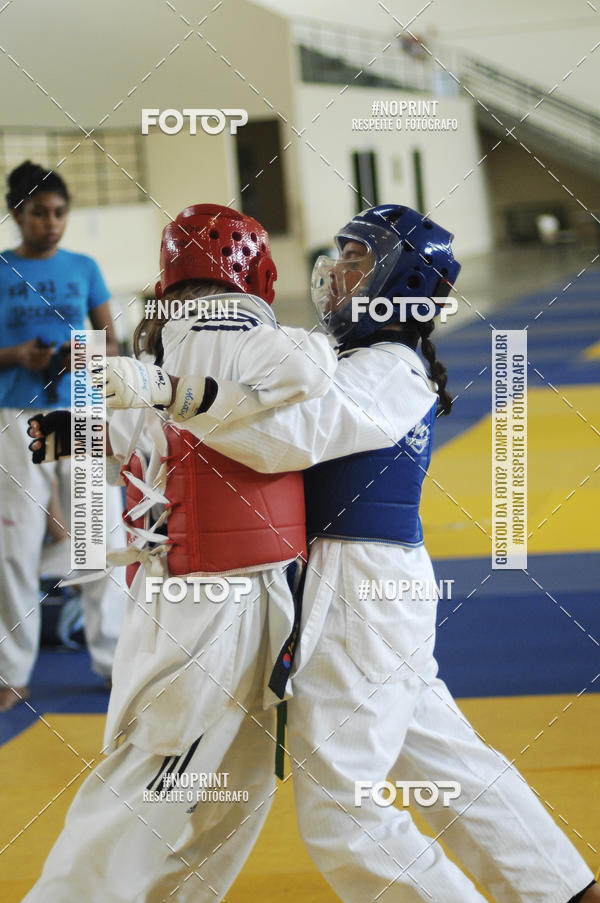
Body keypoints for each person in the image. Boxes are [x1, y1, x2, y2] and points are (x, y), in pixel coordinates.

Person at [136, 204, 596, 903]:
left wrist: (172, 389)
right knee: (443, 758)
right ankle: (563, 888)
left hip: (358, 590)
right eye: (338, 255)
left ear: (398, 280)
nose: (335, 271)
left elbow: (285, 437)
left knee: (343, 812)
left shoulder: (389, 368)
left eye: (357, 259)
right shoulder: (362, 360)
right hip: (368, 588)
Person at [22, 202, 338, 902]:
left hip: (216, 586)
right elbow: (313, 368)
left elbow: (115, 451)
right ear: (253, 266)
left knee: (232, 779)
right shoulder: (241, 332)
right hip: (216, 595)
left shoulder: (155, 344)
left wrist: (141, 401)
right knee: (163, 776)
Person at [0, 160, 126, 712]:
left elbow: (111, 344)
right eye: (38, 214)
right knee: (16, 548)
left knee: (98, 538)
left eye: (58, 213)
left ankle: (114, 661)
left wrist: (82, 356)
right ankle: (12, 672)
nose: (50, 223)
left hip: (77, 410)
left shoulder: (84, 267)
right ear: (16, 215)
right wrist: (16, 356)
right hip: (15, 414)